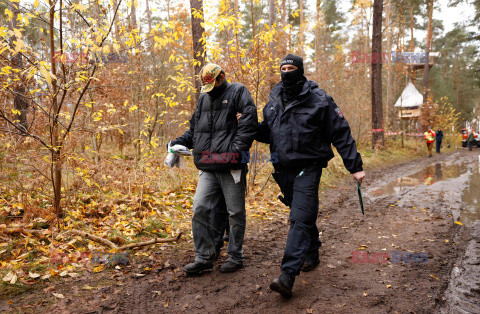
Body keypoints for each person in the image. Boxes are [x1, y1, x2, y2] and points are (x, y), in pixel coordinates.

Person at [255, 54, 365, 297]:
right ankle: (312, 250)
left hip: (309, 166)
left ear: (300, 70)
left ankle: (287, 275)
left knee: (299, 218)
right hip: (283, 169)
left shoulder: (319, 100)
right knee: (302, 214)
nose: (286, 71)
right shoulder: (273, 100)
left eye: (291, 67)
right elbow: (269, 133)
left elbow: (341, 133)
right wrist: (249, 126)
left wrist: (355, 166)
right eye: (282, 67)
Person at [168, 63, 258, 274]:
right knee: (200, 208)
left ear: (222, 78)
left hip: (231, 166)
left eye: (214, 84)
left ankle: (235, 256)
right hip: (208, 166)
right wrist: (177, 143)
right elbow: (195, 130)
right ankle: (204, 256)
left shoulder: (238, 91)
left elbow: (250, 122)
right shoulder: (203, 99)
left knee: (234, 212)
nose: (210, 91)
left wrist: (235, 150)